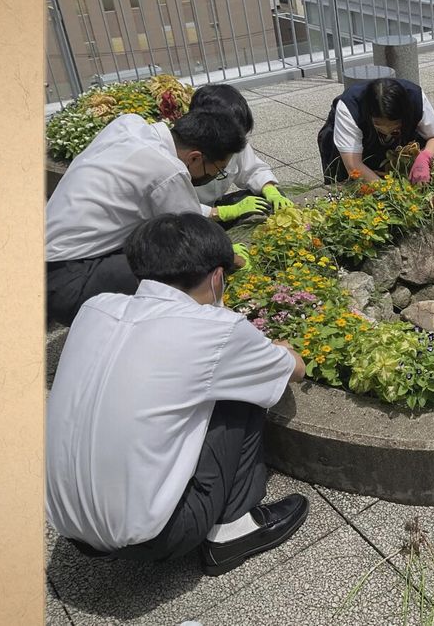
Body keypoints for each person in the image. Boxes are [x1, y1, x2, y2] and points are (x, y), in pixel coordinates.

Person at [46, 213, 309, 576]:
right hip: (159, 536)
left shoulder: (95, 308)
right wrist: (277, 347)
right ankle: (233, 531)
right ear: (217, 277)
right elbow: (295, 369)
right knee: (246, 387)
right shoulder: (218, 331)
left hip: (67, 526)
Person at [45, 108, 248, 326]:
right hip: (67, 284)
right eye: (218, 170)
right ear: (195, 157)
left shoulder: (128, 124)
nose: (215, 177)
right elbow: (193, 240)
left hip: (44, 261)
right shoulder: (167, 170)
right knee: (181, 268)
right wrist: (233, 259)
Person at [188, 84, 297, 228]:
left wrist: (270, 190)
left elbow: (252, 170)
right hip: (187, 221)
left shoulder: (232, 142)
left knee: (267, 201)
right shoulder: (180, 152)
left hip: (213, 206)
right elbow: (176, 207)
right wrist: (225, 212)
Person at [317, 77, 434, 185]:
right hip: (350, 154)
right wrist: (387, 191)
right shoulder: (351, 108)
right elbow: (353, 165)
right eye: (378, 124)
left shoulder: (415, 97)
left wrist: (424, 157)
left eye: (394, 125)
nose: (387, 130)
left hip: (395, 147)